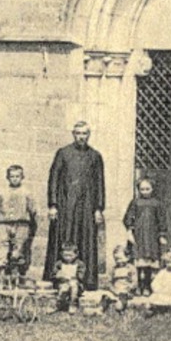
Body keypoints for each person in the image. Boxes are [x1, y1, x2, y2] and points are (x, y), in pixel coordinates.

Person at [44, 121, 106, 292]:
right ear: (73, 134)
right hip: (66, 205)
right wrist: (53, 204)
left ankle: (86, 281)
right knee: (63, 237)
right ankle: (58, 279)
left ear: (89, 135)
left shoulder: (95, 156)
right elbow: (54, 179)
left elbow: (100, 183)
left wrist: (99, 208)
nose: (81, 137)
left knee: (86, 239)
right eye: (78, 133)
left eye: (84, 133)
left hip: (87, 206)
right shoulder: (63, 153)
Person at [0, 163, 38, 284]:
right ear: (8, 177)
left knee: (19, 246)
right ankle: (1, 273)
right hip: (5, 223)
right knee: (2, 245)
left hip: (21, 223)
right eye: (12, 176)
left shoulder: (27, 192)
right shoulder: (1, 192)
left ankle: (16, 273)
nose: (15, 179)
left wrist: (30, 219)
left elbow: (33, 209)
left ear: (22, 177)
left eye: (18, 176)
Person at [123, 176, 166, 296]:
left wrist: (162, 234)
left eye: (147, 189)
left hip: (151, 236)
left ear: (152, 189)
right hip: (139, 236)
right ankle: (138, 285)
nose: (145, 192)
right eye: (142, 189)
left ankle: (147, 285)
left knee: (148, 261)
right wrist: (129, 230)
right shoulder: (135, 202)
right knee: (138, 261)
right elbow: (128, 217)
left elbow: (162, 220)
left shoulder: (157, 204)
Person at [53, 242, 82, 312]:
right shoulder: (59, 263)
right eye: (65, 255)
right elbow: (54, 273)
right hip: (63, 282)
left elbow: (81, 275)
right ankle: (59, 303)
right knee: (63, 288)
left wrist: (77, 276)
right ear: (61, 254)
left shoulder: (79, 264)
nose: (68, 258)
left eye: (70, 255)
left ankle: (73, 304)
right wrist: (58, 275)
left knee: (73, 286)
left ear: (76, 254)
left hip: (75, 282)